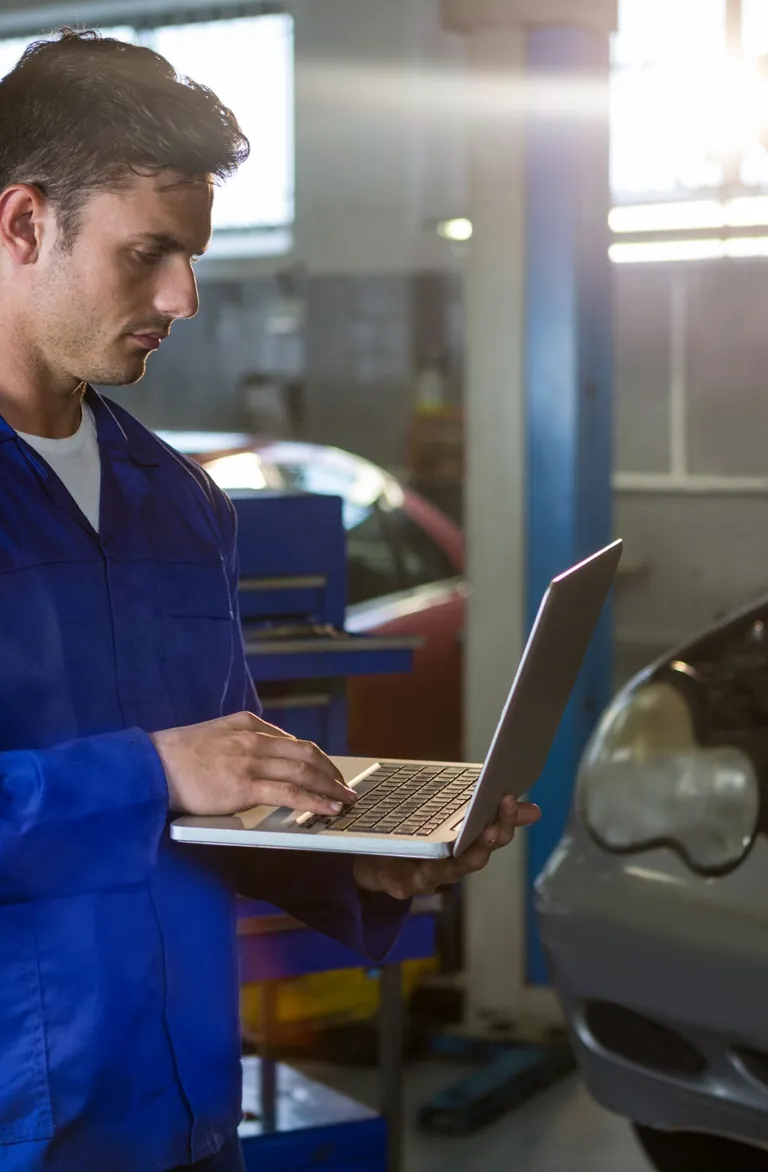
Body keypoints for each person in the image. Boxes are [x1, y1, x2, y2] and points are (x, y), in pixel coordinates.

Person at [0, 29, 541, 1172]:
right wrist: (153, 767)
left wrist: (360, 858)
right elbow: (172, 781)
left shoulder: (182, 503)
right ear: (22, 224)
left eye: (190, 255)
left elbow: (217, 811)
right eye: (149, 253)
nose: (183, 297)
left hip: (191, 1109)